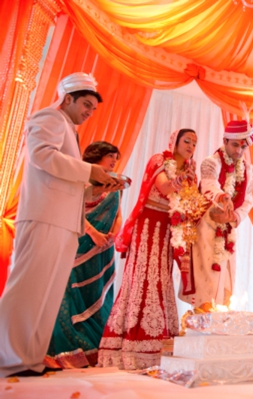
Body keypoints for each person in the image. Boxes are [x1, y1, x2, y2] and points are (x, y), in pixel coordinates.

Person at [0, 73, 116, 377]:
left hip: (64, 222)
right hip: (44, 217)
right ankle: (6, 357)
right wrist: (90, 169)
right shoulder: (49, 117)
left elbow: (66, 180)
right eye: (87, 105)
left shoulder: (67, 129)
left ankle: (27, 359)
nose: (90, 112)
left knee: (47, 295)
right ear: (68, 99)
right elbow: (42, 156)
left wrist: (98, 187)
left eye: (93, 108)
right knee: (27, 289)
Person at [98, 129, 198, 370]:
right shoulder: (159, 160)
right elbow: (164, 188)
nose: (191, 146)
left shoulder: (190, 171)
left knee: (161, 280)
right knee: (143, 277)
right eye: (187, 141)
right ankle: (132, 346)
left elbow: (190, 203)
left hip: (168, 228)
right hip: (148, 224)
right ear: (174, 141)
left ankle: (159, 345)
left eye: (195, 143)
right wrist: (185, 182)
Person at [45, 142, 123, 369]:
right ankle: (67, 347)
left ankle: (96, 347)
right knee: (70, 291)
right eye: (110, 156)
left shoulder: (116, 181)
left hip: (103, 247)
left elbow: (118, 214)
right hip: (80, 243)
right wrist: (94, 233)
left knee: (98, 293)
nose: (114, 161)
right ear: (96, 157)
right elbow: (72, 210)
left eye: (116, 158)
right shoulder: (81, 178)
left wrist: (112, 235)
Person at [185, 120, 253, 307]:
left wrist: (235, 216)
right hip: (208, 224)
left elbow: (249, 199)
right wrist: (223, 197)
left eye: (243, 146)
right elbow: (209, 184)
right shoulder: (211, 161)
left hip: (229, 227)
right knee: (207, 273)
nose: (239, 151)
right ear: (225, 141)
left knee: (226, 275)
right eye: (235, 145)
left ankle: (220, 321)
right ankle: (202, 318)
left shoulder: (248, 169)